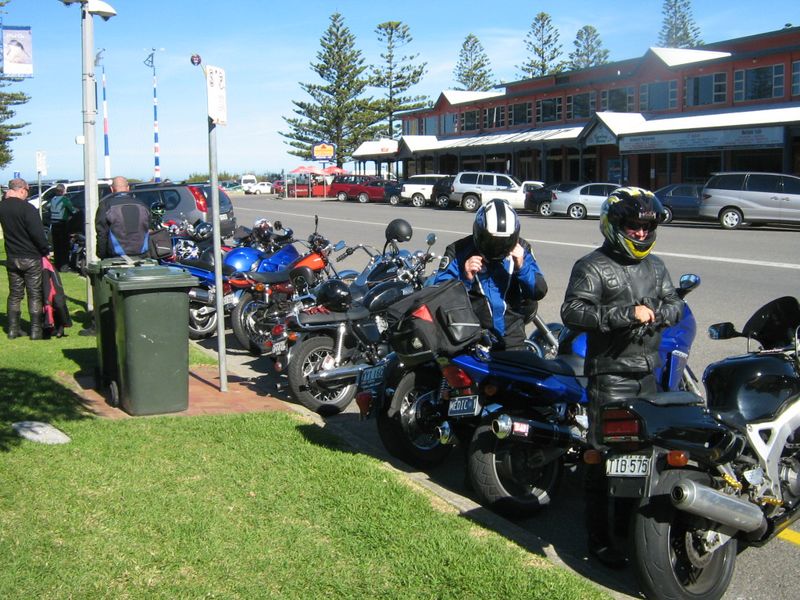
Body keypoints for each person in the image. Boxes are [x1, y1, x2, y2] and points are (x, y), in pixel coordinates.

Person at [560, 187, 683, 569]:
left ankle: (629, 530)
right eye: (633, 227)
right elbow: (572, 311)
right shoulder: (592, 266)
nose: (641, 233)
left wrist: (659, 313)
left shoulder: (656, 267)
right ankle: (598, 540)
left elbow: (675, 303)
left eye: (646, 228)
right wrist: (624, 315)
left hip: (647, 374)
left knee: (641, 459)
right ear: (615, 225)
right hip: (610, 376)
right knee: (602, 459)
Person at [434, 198, 547, 350]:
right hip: (469, 334)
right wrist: (465, 278)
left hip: (511, 337)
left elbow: (539, 291)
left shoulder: (522, 249)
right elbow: (439, 295)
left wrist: (522, 267)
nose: (498, 247)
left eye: (505, 242)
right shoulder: (458, 251)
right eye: (492, 241)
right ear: (479, 233)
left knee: (525, 364)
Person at [0, 178, 51, 339]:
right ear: (22, 190)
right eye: (27, 191)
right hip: (30, 256)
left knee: (15, 294)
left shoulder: (2, 207)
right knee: (34, 294)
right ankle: (36, 330)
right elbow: (37, 234)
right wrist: (45, 250)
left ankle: (13, 329)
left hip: (12, 256)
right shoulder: (28, 208)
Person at [95, 176, 150, 259]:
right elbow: (148, 229)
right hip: (142, 255)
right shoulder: (142, 205)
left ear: (112, 189)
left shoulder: (106, 206)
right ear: (128, 188)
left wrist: (101, 255)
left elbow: (102, 234)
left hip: (116, 257)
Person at [49, 184, 77, 271]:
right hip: (62, 224)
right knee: (64, 246)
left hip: (54, 224)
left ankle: (57, 265)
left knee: (56, 246)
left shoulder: (53, 199)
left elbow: (48, 207)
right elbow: (73, 210)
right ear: (63, 191)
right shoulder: (64, 200)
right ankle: (64, 266)